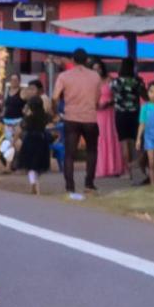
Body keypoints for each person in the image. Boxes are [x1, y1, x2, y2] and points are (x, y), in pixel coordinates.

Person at [52, 48, 101, 200]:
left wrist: (55, 112)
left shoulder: (64, 76)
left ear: (73, 60)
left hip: (71, 117)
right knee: (92, 151)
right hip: (90, 118)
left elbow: (54, 97)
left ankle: (70, 186)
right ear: (87, 60)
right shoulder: (95, 76)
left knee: (69, 153)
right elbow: (97, 99)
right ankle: (89, 183)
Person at [111, 57, 146, 180]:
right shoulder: (138, 81)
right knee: (137, 141)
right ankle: (141, 169)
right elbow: (145, 96)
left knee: (124, 142)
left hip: (120, 114)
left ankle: (128, 172)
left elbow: (111, 95)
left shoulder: (116, 82)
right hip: (135, 113)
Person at [94, 59, 123, 178]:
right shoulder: (92, 82)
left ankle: (114, 167)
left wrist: (109, 102)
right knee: (100, 138)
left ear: (103, 68)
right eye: (94, 69)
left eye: (98, 68)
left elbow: (118, 96)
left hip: (109, 112)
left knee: (111, 137)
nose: (96, 71)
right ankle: (102, 168)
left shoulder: (110, 80)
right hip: (98, 113)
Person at [17, 95, 51, 195]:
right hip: (41, 140)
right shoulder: (45, 116)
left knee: (30, 164)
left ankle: (33, 183)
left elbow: (22, 127)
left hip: (30, 140)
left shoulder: (29, 118)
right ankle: (37, 183)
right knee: (39, 164)